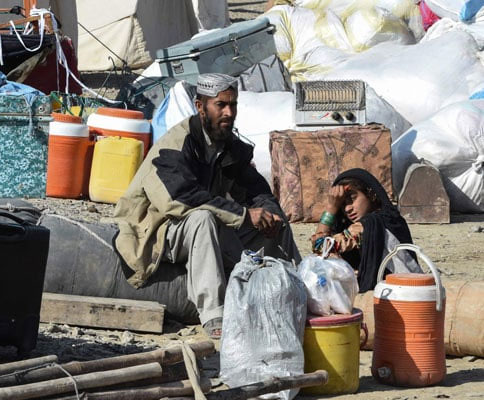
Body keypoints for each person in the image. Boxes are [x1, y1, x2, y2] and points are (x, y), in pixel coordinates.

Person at [112, 73, 301, 339]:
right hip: (158, 228)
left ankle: (297, 287)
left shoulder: (227, 144)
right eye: (220, 105)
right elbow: (180, 200)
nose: (228, 112)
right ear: (200, 106)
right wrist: (245, 215)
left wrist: (270, 215)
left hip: (208, 224)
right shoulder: (176, 144)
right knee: (203, 218)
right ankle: (214, 314)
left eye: (232, 105)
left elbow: (256, 190)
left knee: (273, 223)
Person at [311, 168, 422, 292]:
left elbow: (321, 246)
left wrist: (331, 208)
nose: (347, 208)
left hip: (404, 293)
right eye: (342, 204)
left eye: (352, 199)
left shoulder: (373, 224)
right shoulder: (385, 220)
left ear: (371, 194)